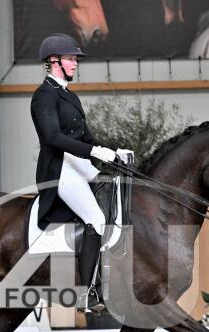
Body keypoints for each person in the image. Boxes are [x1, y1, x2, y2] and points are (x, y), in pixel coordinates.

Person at [30, 33, 133, 313]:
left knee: (115, 202)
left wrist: (112, 152)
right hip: (60, 168)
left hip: (80, 165)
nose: (75, 63)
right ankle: (86, 293)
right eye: (71, 59)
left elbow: (86, 137)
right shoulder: (44, 96)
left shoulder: (69, 95)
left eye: (75, 59)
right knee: (96, 219)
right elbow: (52, 137)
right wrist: (94, 152)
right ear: (54, 61)